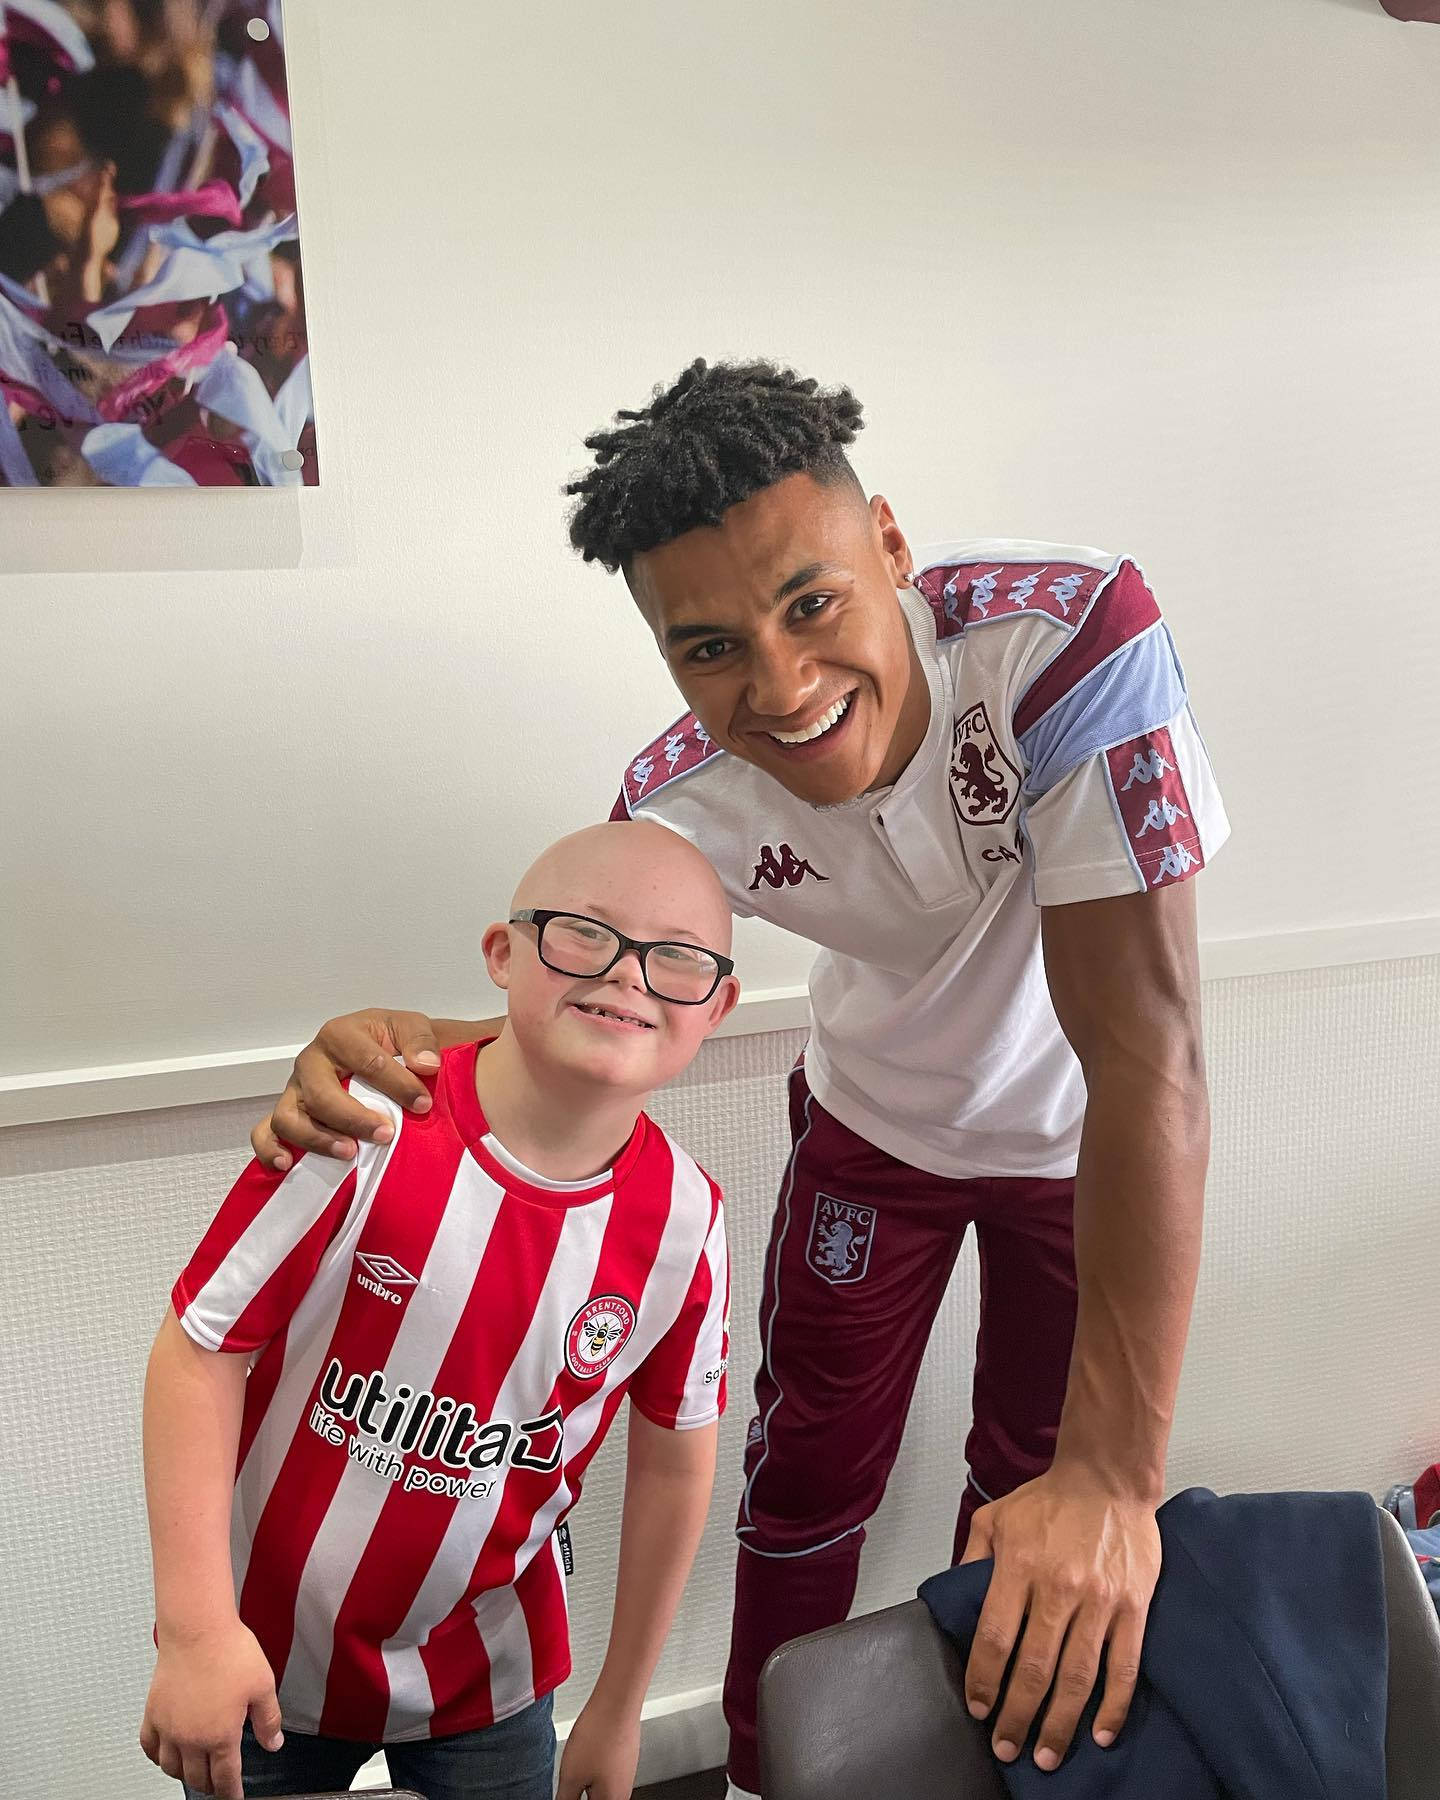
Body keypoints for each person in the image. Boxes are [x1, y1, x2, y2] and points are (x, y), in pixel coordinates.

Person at [248, 360, 1229, 1798]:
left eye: (811, 604)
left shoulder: (1068, 640)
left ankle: (1005, 1771)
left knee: (1038, 1485)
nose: (778, 687)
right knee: (808, 1475)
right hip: (871, 1130)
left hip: (1080, 1142)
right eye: (709, 649)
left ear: (889, 543)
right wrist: (386, 1043)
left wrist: (1118, 1482)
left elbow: (1149, 1055)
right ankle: (772, 1782)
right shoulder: (676, 797)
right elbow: (570, 1017)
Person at [140, 821, 739, 1800]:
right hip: (263, 1656)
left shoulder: (687, 1221)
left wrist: (621, 1703)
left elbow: (676, 1458)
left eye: (675, 958)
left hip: (490, 1682)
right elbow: (201, 1345)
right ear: (502, 955)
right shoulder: (360, 1125)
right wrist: (200, 1629)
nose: (629, 975)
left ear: (716, 1006)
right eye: (585, 933)